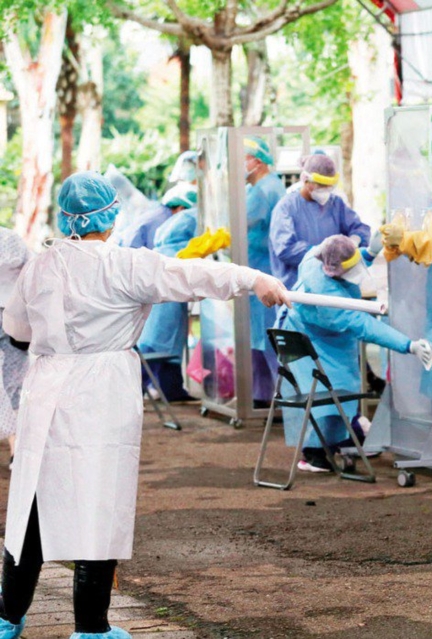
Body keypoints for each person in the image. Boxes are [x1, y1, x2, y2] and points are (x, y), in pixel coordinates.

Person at [0, 171, 289, 639]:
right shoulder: (126, 265)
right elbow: (193, 275)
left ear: (66, 216)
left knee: (31, 505)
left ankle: (7, 618)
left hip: (47, 385)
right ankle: (91, 628)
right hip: (99, 393)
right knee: (97, 504)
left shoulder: (42, 266)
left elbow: (18, 329)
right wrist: (253, 278)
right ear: (111, 216)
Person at [277, 235, 432, 472]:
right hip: (314, 343)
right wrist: (407, 345)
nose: (358, 269)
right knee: (328, 399)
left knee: (332, 394)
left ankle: (340, 440)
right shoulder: (330, 303)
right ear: (332, 271)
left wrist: (368, 253)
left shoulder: (315, 257)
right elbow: (364, 325)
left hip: (313, 336)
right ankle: (314, 453)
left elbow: (345, 263)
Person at [136, 184, 200, 401]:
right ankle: (133, 390)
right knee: (159, 341)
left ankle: (172, 390)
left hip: (157, 293)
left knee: (166, 341)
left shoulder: (164, 235)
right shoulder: (184, 236)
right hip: (166, 299)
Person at [269, 153, 371, 289]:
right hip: (298, 287)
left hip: (334, 285)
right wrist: (323, 255)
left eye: (329, 186)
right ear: (305, 180)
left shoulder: (335, 204)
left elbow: (359, 228)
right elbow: (285, 249)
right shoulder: (286, 208)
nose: (325, 191)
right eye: (321, 185)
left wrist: (354, 241)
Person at [243, 137, 288, 406]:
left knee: (268, 335)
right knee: (258, 335)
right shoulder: (262, 188)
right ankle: (262, 394)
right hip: (257, 269)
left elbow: (241, 225)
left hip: (263, 269)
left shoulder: (263, 191)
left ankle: (282, 396)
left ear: (256, 161)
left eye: (242, 159)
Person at [0, 230, 30, 466]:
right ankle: (16, 450)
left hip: (11, 316)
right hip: (11, 315)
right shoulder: (10, 238)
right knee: (15, 382)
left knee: (15, 383)